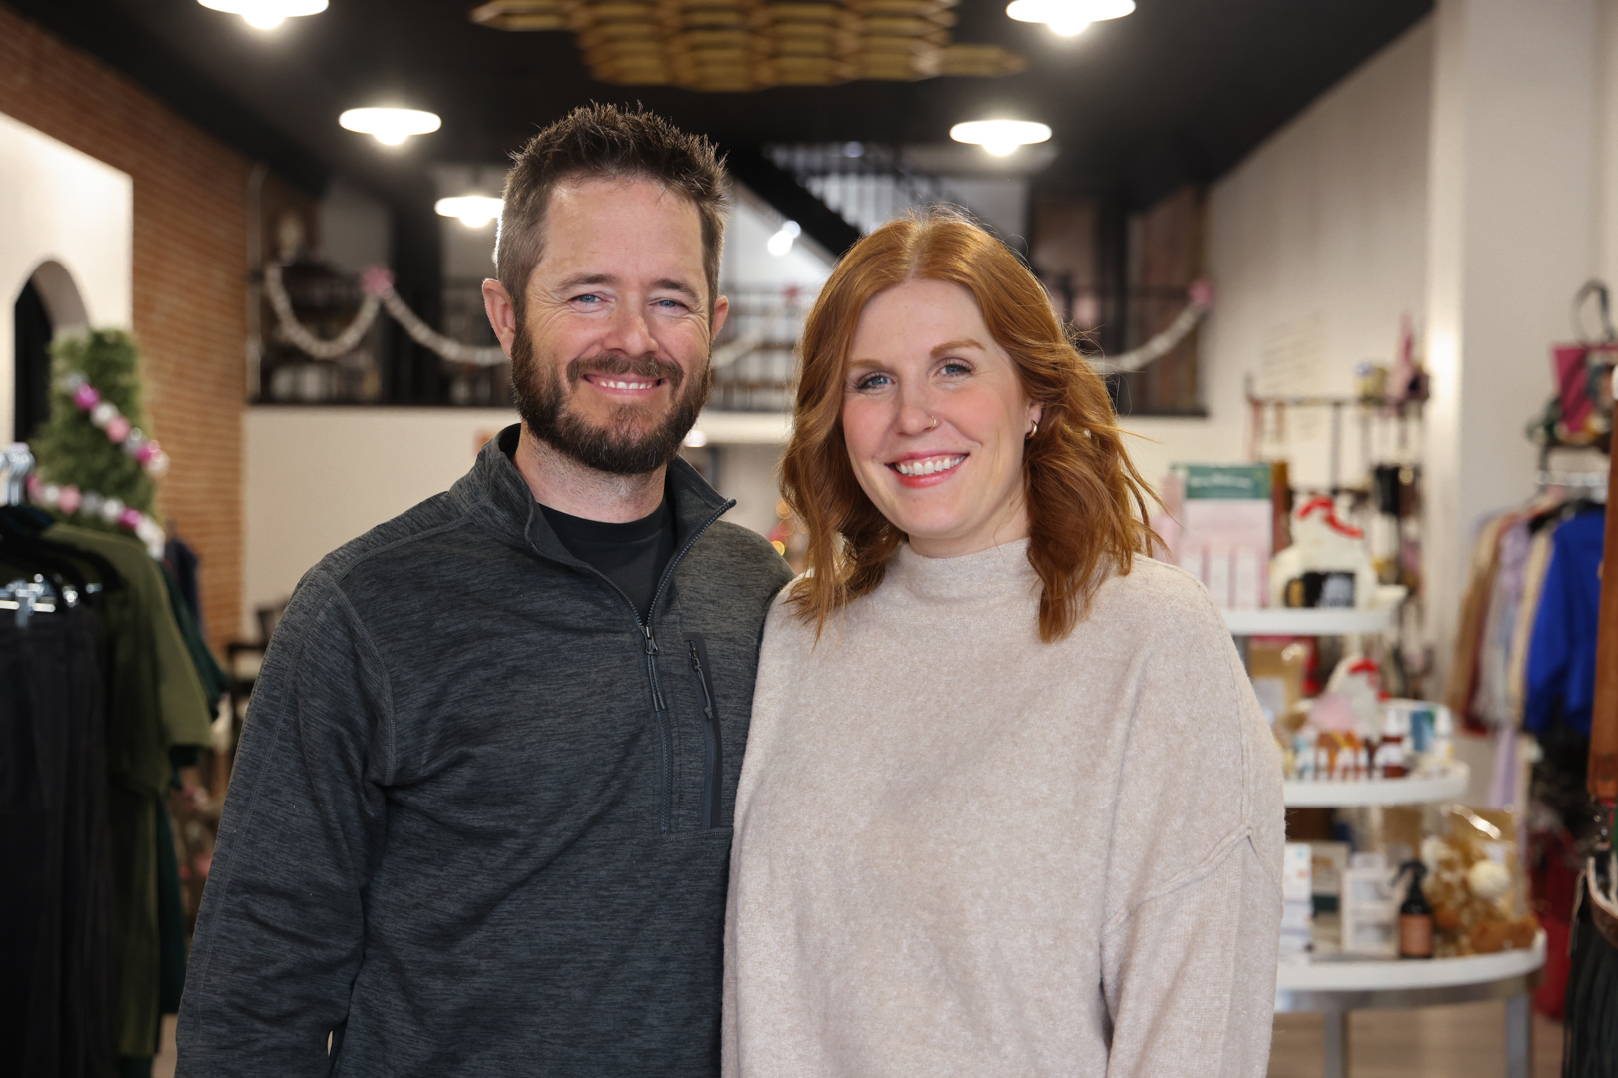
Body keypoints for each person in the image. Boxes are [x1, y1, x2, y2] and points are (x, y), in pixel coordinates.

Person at [177, 105, 792, 1076]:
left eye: (670, 299)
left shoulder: (758, 592)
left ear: (713, 323)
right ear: (506, 311)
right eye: (589, 295)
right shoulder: (361, 611)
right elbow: (254, 996)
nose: (633, 339)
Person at [722, 210, 1284, 1078]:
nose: (913, 416)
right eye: (871, 382)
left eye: (954, 368)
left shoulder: (1153, 641)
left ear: (1035, 396)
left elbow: (1195, 1026)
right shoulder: (800, 631)